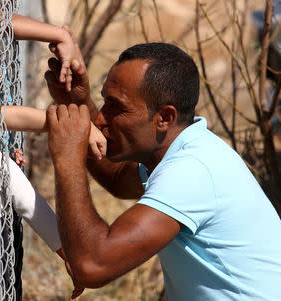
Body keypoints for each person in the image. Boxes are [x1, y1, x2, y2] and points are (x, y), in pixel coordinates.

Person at [44, 41, 281, 300]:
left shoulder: (192, 171)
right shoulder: (183, 151)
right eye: (104, 103)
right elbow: (117, 178)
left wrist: (68, 156)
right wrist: (76, 102)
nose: (100, 118)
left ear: (165, 118)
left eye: (117, 107)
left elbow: (92, 266)